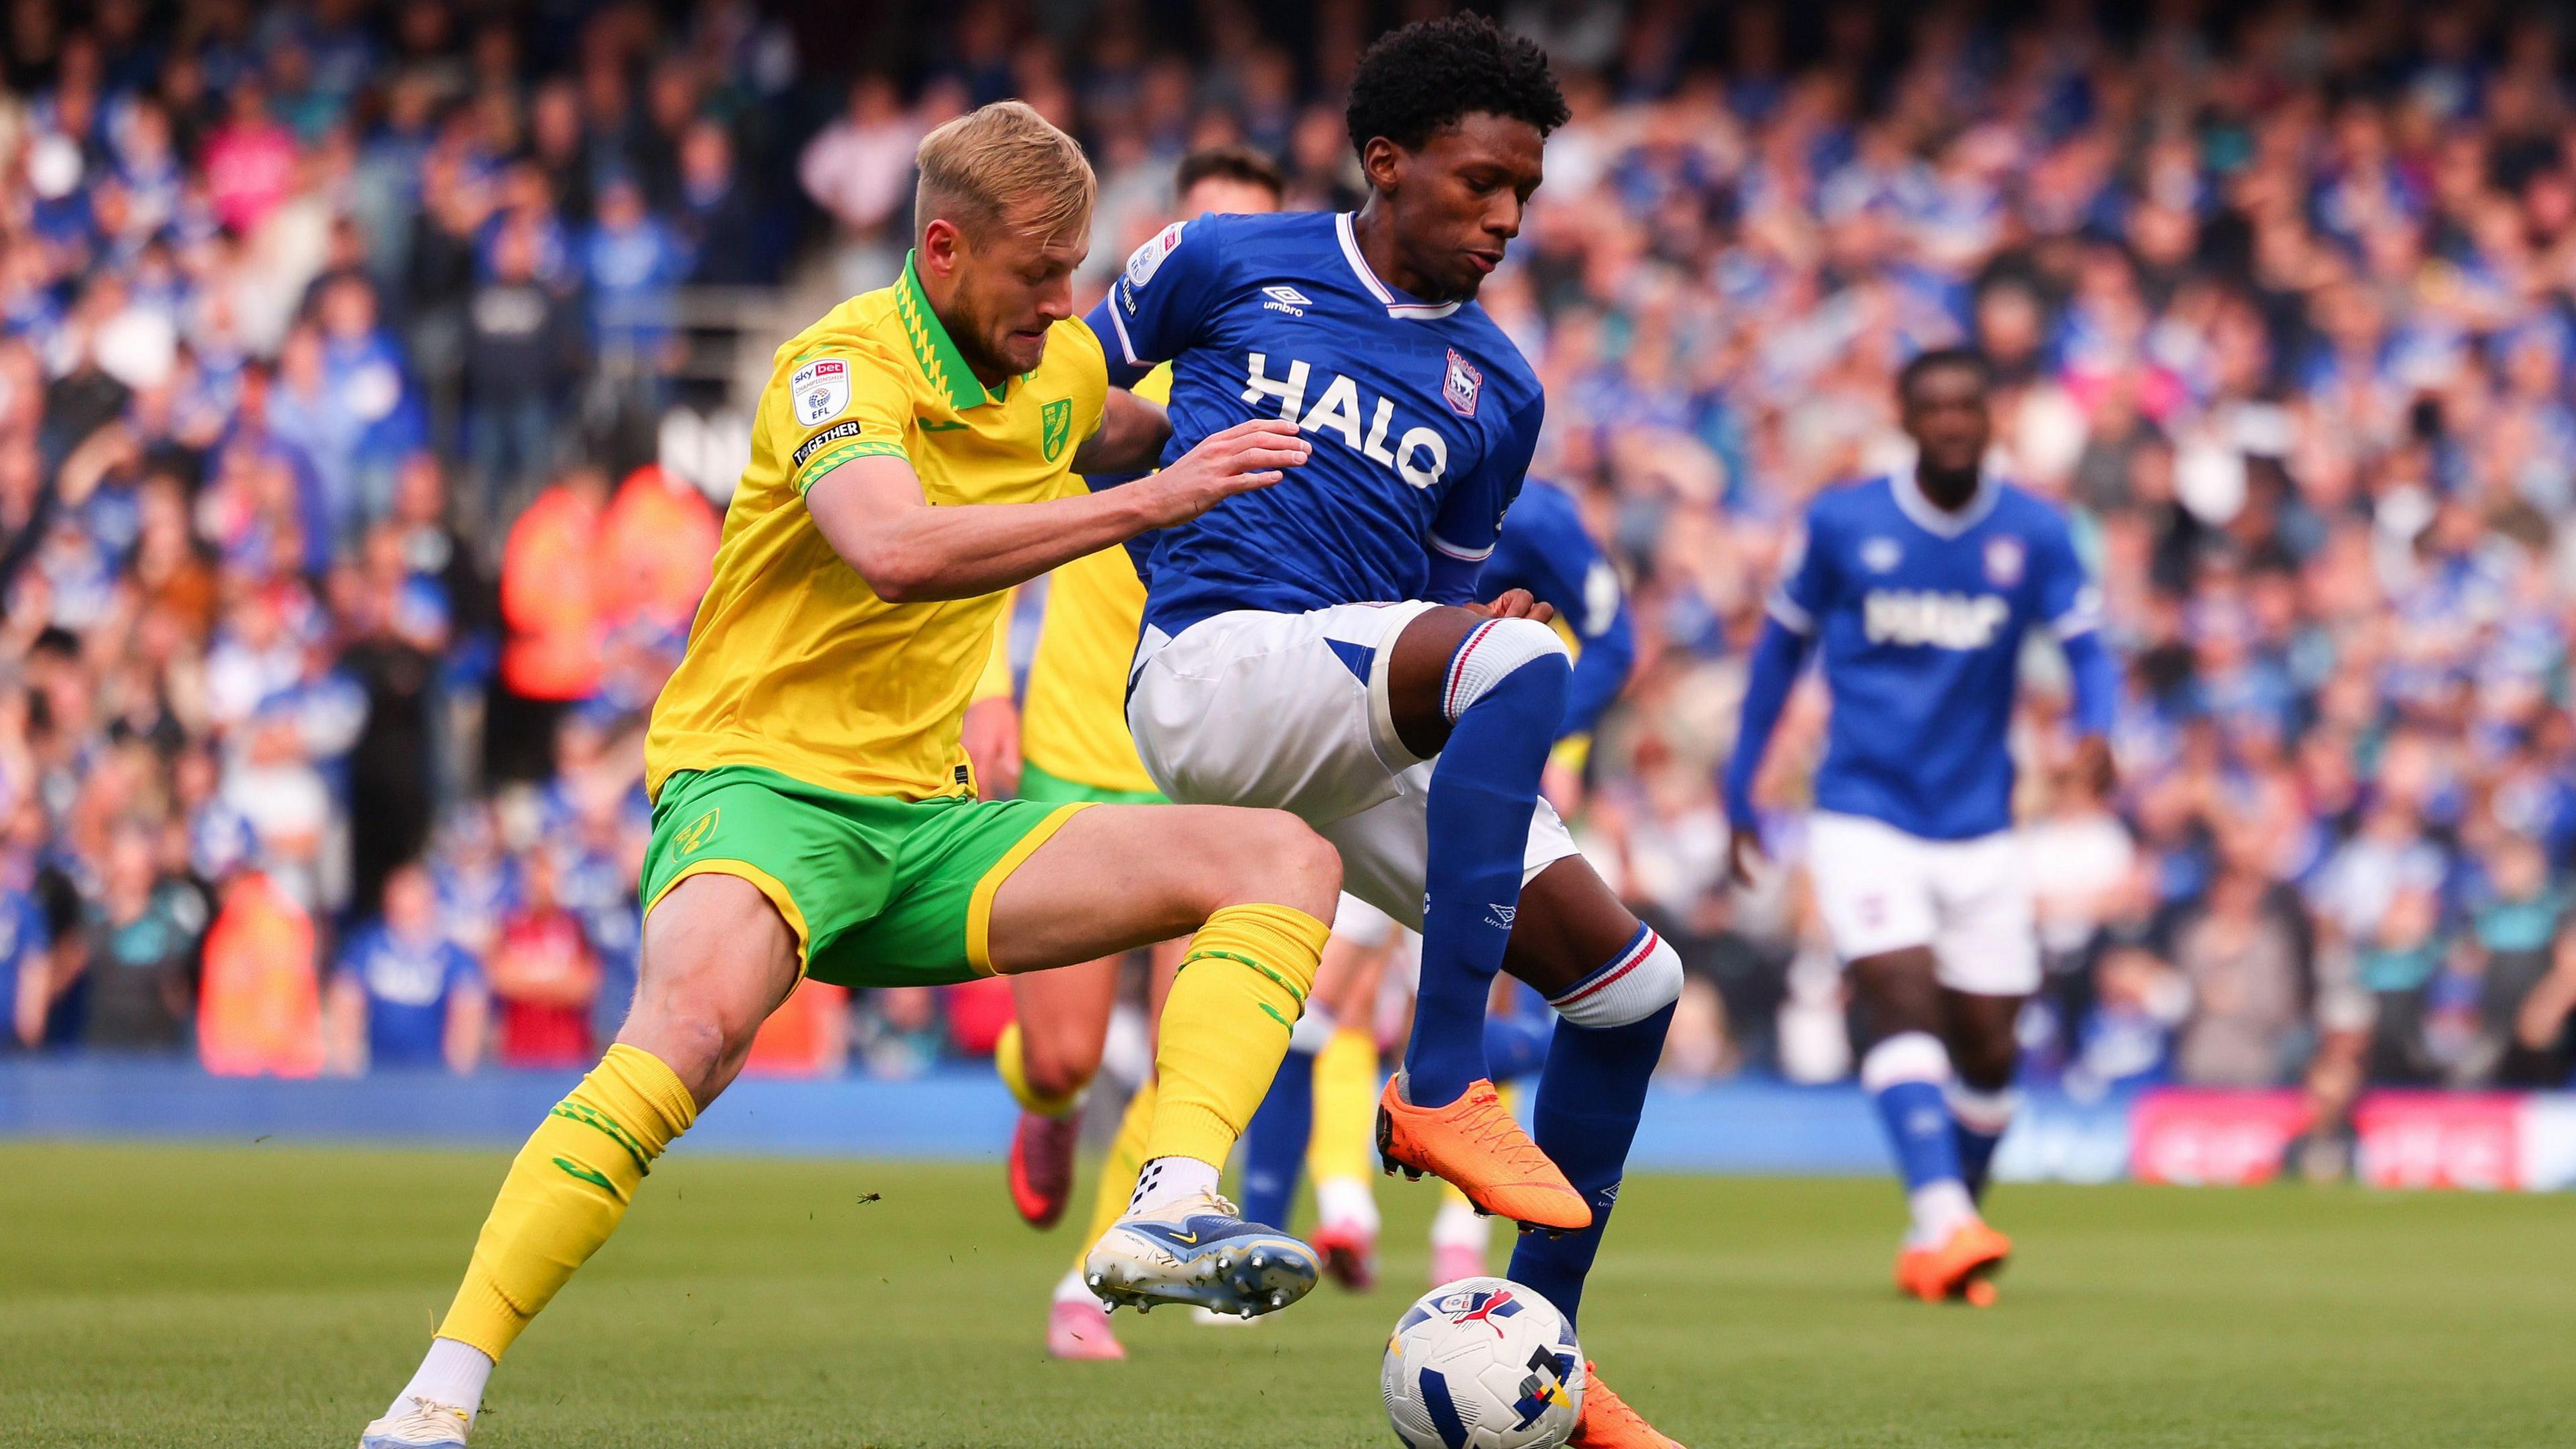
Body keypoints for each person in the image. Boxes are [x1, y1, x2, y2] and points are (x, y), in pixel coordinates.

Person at [360, 101, 1340, 1449]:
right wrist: (1147, 502)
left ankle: (1168, 1200)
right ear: (942, 250)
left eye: (1078, 270)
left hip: (933, 829)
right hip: (761, 795)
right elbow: (894, 547)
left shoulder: (1051, 369)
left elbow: (1145, 431)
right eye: (1041, 272)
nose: (1069, 302)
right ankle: (434, 1400)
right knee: (690, 1042)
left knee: (1286, 861)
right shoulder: (838, 369)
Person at [1087, 19, 1682, 1445]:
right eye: (1480, 182)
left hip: (1346, 708)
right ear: (1386, 160)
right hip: (1214, 668)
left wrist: (1468, 634)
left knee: (1630, 992)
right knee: (1518, 665)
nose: (1504, 218)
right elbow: (1052, 413)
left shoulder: (1503, 391)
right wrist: (1136, 519)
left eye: (1525, 194)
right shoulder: (1224, 262)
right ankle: (1439, 1084)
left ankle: (1547, 1349)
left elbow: (1438, 602)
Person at [959, 143, 1294, 1363]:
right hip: (1074, 740)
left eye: (1255, 232)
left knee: (1189, 1037)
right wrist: (984, 688)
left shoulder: (1298, 377)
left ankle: (1092, 1282)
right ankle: (1037, 1099)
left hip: (1210, 757)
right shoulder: (1099, 362)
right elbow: (990, 508)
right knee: (1061, 1052)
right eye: (1209, 229)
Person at [1722, 347, 2119, 1306]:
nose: (1950, 421)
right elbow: (1780, 657)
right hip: (1864, 809)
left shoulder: (2035, 530)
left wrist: (2098, 729)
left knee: (1990, 1045)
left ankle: (1946, 1228)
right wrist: (1742, 784)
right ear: (1904, 415)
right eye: (1932, 406)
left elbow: (2089, 650)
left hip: (1981, 823)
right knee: (1898, 993)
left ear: (1993, 420)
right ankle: (1944, 1216)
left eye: (1967, 405)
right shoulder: (1844, 521)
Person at [1232, 471, 1639, 1293]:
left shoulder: (1542, 513)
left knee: (1475, 1006)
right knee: (1314, 1007)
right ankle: (1274, 1237)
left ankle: (1466, 1233)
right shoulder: (1370, 472)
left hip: (1489, 788)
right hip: (1375, 765)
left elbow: (1614, 640)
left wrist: (1532, 738)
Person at [327, 861, 486, 1075]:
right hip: (378, 1074)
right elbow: (346, 1003)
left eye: (415, 910)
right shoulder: (367, 948)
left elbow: (467, 1017)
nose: (409, 919)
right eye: (400, 910)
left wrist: (457, 1077)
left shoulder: (454, 958)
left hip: (434, 1075)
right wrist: (347, 1065)